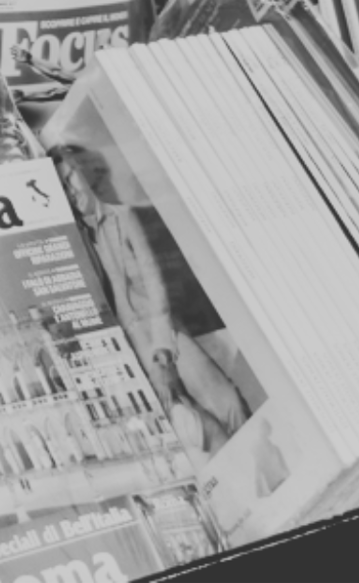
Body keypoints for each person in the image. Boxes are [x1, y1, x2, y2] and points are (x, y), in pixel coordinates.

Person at [60, 156, 250, 454]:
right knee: (190, 426)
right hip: (128, 347)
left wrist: (163, 356)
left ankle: (262, 469)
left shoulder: (123, 217)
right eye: (62, 186)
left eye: (70, 178)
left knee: (228, 403)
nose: (71, 191)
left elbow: (155, 283)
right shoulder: (77, 236)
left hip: (163, 331)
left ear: (83, 175)